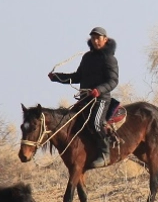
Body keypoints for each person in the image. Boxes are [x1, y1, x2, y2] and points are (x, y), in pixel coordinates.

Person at [48, 27, 119, 167]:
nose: (95, 40)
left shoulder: (110, 59)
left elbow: (113, 81)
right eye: (93, 38)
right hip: (85, 99)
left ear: (105, 39)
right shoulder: (87, 57)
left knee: (95, 123)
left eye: (98, 38)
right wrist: (57, 77)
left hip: (101, 100)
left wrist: (98, 90)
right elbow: (77, 76)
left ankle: (105, 154)